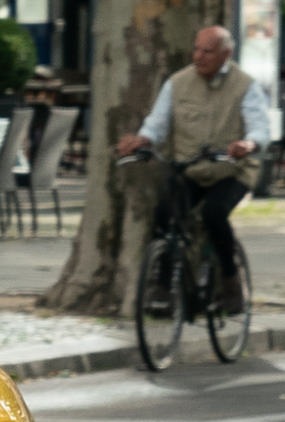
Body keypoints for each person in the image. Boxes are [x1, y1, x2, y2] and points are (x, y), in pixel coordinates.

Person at [115, 24, 270, 314]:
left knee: (214, 213)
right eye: (196, 49)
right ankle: (161, 287)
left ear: (226, 54)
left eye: (207, 51)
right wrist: (142, 140)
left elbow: (260, 128)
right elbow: (157, 124)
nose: (198, 56)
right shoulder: (177, 83)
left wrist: (248, 145)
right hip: (191, 168)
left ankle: (231, 280)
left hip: (231, 171)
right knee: (164, 213)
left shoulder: (245, 86)